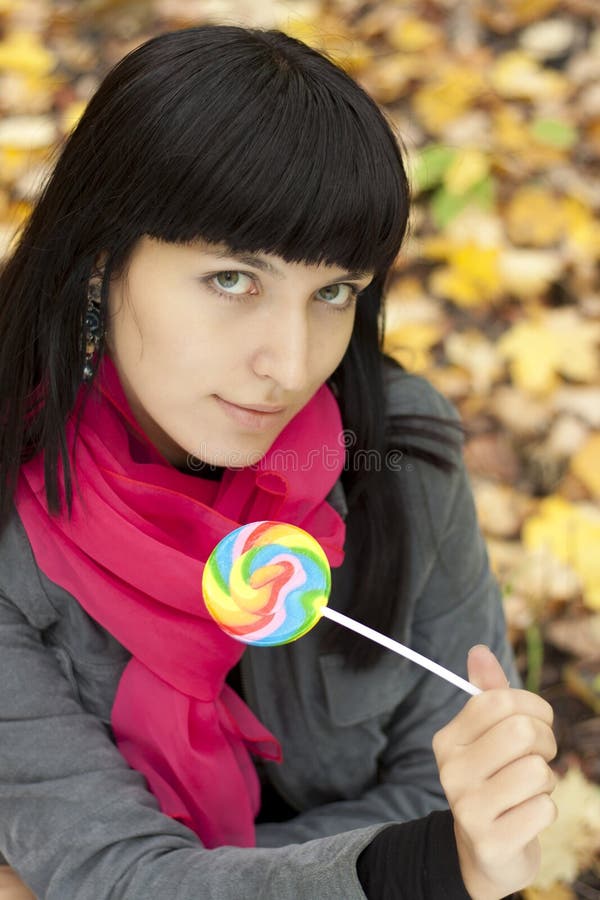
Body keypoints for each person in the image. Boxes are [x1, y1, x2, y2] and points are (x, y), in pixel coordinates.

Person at [0, 24, 556, 900]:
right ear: (103, 261)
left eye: (332, 292)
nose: (291, 366)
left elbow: (450, 789)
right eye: (233, 279)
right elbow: (113, 873)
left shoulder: (399, 456)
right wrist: (427, 864)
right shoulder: (11, 540)